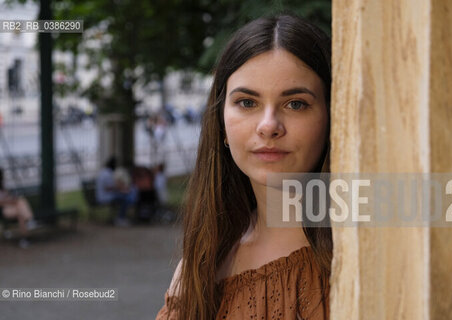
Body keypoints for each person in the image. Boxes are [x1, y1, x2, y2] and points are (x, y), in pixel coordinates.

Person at [156, 14, 332, 320]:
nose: (269, 126)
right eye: (247, 103)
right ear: (222, 124)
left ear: (331, 115)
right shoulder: (202, 266)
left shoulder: (363, 250)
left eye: (296, 104)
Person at [0, 168, 36, 248]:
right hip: (5, 210)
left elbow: (8, 196)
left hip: (12, 207)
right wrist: (10, 201)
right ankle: (30, 220)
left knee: (20, 212)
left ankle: (25, 239)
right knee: (20, 203)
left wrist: (12, 199)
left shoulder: (3, 188)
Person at [96, 157, 136, 227]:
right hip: (106, 197)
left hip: (102, 196)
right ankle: (120, 218)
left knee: (124, 196)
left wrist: (121, 189)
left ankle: (121, 217)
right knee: (125, 199)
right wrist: (122, 190)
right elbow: (108, 188)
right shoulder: (107, 174)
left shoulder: (104, 172)